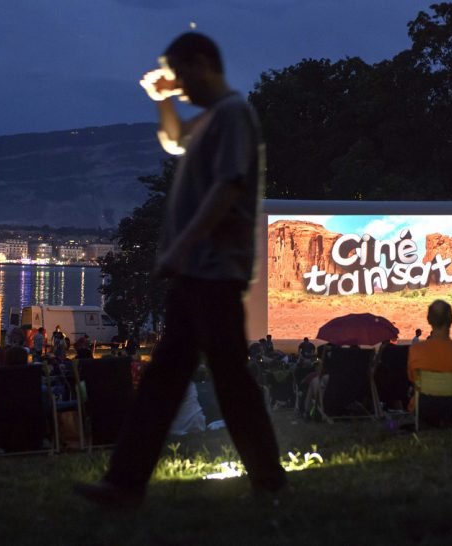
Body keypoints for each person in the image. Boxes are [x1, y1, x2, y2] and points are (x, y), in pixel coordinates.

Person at [74, 32, 286, 509]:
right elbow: (172, 141)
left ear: (203, 63)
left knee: (222, 378)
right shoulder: (212, 119)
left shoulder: (234, 114)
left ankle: (267, 480)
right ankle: (125, 483)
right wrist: (163, 100)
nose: (179, 82)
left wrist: (182, 245)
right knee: (171, 377)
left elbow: (228, 187)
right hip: (199, 270)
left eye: (181, 72)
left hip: (212, 268)